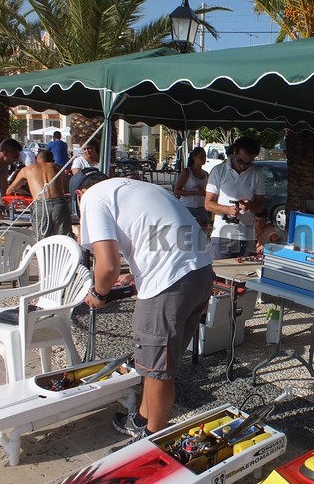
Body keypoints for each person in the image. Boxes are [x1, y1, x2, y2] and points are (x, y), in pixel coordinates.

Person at [70, 168, 213, 442]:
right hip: (201, 273)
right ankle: (141, 419)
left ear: (79, 193)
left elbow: (107, 266)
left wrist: (98, 293)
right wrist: (138, 274)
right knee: (155, 362)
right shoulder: (138, 188)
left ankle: (150, 438)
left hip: (170, 284)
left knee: (158, 369)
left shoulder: (92, 197)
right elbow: (164, 237)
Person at [205, 136, 265, 259]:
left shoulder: (257, 173)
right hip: (222, 235)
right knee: (220, 271)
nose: (243, 166)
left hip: (248, 236)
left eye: (248, 163)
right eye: (240, 161)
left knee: (248, 271)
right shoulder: (218, 171)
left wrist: (250, 205)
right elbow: (208, 204)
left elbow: (260, 206)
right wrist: (228, 210)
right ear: (234, 151)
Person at [7, 149, 72, 240]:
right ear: (53, 160)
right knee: (63, 240)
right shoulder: (59, 168)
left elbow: (10, 190)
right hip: (59, 204)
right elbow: (65, 189)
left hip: (40, 204)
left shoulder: (27, 170)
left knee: (41, 241)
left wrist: (24, 192)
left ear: (36, 159)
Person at [173, 147, 209, 226]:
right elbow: (176, 191)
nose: (204, 159)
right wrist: (194, 192)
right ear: (194, 157)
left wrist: (204, 193)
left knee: (201, 230)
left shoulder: (206, 174)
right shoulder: (187, 172)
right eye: (201, 156)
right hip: (187, 207)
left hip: (201, 207)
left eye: (205, 156)